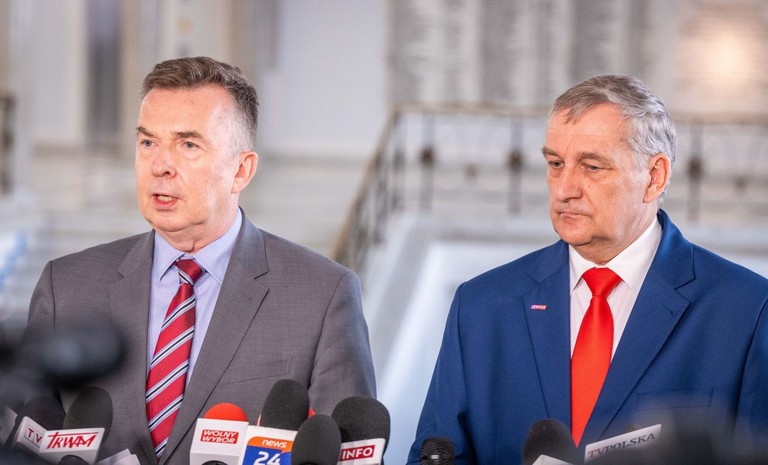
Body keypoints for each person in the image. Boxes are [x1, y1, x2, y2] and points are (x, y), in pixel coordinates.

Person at [24, 56, 376, 465]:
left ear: (241, 170)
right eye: (148, 142)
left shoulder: (323, 296)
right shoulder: (65, 287)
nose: (160, 166)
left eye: (188, 145)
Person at [407, 75, 768, 464]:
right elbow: (438, 451)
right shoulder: (481, 306)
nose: (565, 189)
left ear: (654, 177)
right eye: (555, 164)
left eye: (591, 167)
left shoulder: (747, 310)